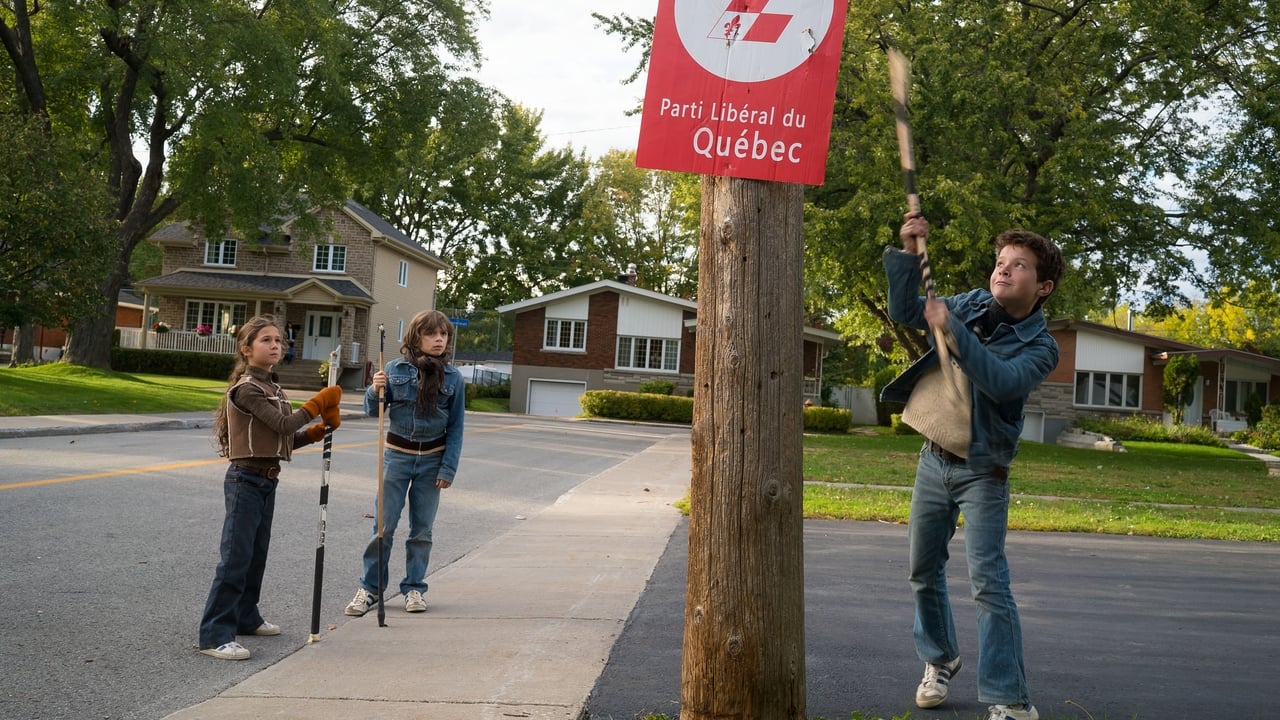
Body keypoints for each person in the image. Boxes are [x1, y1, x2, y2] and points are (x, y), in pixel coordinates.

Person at [880, 213, 1064, 720]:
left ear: (1043, 286)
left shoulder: (1041, 347)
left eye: (1019, 266)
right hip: (933, 458)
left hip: (984, 471)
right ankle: (940, 659)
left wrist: (953, 329)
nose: (1003, 271)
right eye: (1000, 262)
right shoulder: (972, 302)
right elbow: (905, 310)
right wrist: (912, 252)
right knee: (922, 569)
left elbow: (1002, 382)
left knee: (989, 583)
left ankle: (1009, 699)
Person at [197, 315, 344, 660]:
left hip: (267, 479)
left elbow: (283, 439)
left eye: (279, 340)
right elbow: (282, 422)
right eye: (266, 340)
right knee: (235, 559)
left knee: (255, 557)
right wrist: (318, 404)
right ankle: (215, 633)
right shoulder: (247, 388)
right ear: (246, 349)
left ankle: (246, 616)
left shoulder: (274, 388)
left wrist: (316, 432)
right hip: (244, 479)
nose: (276, 345)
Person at [345, 310, 465, 617]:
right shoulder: (393, 370)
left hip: (432, 460)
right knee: (383, 527)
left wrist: (448, 468)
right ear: (415, 337)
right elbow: (374, 411)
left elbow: (456, 427)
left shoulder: (453, 378)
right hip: (396, 457)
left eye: (444, 334)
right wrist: (375, 389)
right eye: (432, 334)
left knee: (421, 531)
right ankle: (370, 589)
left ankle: (414, 588)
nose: (439, 340)